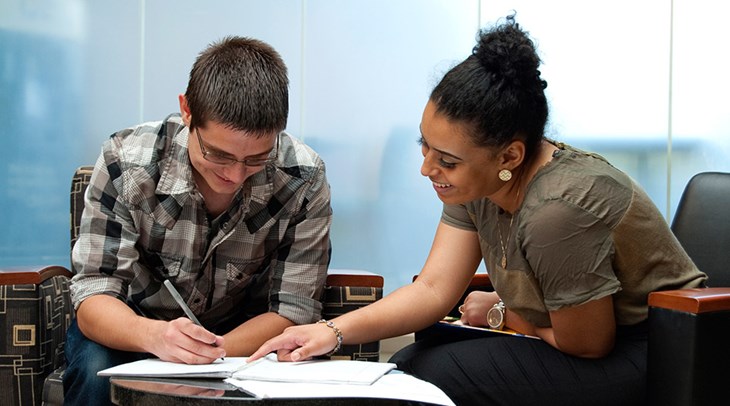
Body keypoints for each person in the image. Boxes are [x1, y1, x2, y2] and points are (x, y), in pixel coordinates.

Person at [249, 16, 707, 406]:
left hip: (653, 354)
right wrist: (331, 331)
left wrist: (502, 313)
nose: (427, 169)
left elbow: (587, 343)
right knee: (413, 361)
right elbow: (433, 289)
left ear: (509, 157)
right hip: (578, 341)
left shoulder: (558, 209)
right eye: (424, 146)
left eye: (447, 160)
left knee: (433, 375)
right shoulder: (479, 186)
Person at [64, 36, 332, 405]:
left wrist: (211, 351)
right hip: (134, 326)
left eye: (256, 158)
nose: (237, 175)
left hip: (242, 333)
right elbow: (95, 295)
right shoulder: (125, 162)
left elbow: (294, 309)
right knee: (94, 369)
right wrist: (154, 336)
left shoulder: (303, 177)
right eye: (218, 154)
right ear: (187, 110)